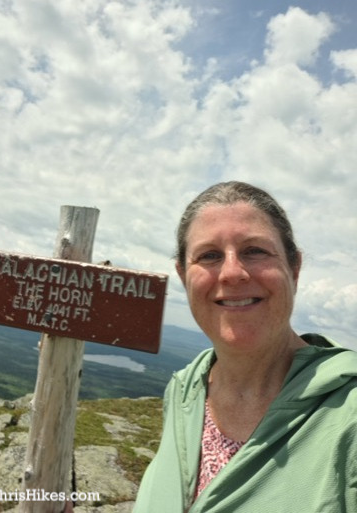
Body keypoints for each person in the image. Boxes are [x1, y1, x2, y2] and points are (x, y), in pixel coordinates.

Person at [133, 181, 357, 513]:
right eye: (209, 255)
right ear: (183, 276)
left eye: (255, 250)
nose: (232, 272)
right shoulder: (183, 392)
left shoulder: (348, 414)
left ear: (294, 268)